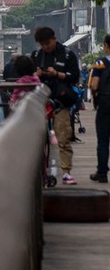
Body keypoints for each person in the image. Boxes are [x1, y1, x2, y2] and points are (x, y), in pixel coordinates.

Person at [32, 25, 81, 184]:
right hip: (42, 100)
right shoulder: (37, 55)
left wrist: (57, 74)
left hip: (61, 100)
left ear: (54, 38)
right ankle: (40, 171)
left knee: (63, 136)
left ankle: (66, 171)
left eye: (47, 43)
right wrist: (37, 75)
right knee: (39, 138)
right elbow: (29, 77)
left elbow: (74, 76)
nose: (45, 47)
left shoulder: (67, 55)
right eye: (42, 44)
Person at [87, 35, 110, 184]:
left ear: (106, 46)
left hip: (105, 103)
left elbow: (94, 85)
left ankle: (102, 173)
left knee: (103, 141)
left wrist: (94, 96)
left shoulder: (100, 63)